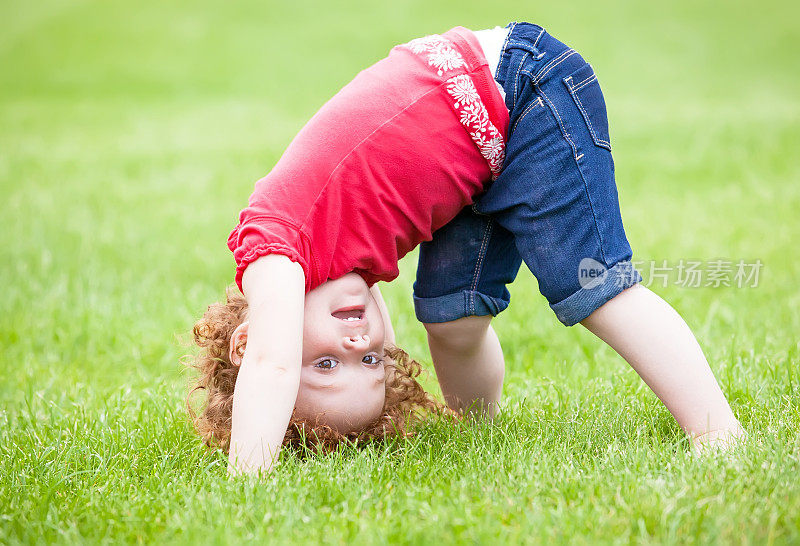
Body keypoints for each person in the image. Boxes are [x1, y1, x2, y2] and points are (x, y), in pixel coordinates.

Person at [189, 22, 745, 475]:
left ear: (249, 341)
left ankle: (718, 433)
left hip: (520, 87)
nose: (360, 339)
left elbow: (272, 362)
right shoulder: (328, 263)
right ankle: (477, 438)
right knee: (453, 315)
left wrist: (247, 481)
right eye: (373, 359)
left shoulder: (274, 250)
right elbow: (278, 358)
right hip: (477, 159)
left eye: (329, 362)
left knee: (591, 286)